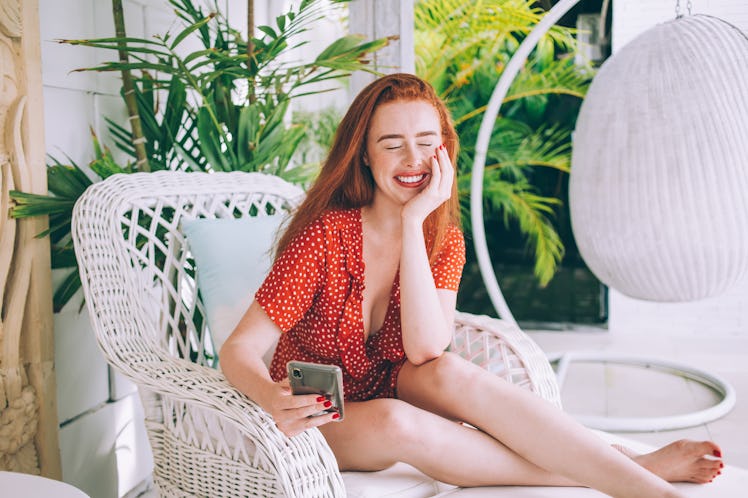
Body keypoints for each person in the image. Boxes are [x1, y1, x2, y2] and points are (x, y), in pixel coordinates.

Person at [220, 73, 723, 498]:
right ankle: (637, 475)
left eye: (426, 142)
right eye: (392, 145)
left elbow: (425, 348)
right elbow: (240, 348)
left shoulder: (443, 239)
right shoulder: (324, 237)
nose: (413, 159)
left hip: (396, 386)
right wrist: (270, 397)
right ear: (366, 159)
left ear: (444, 150)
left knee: (447, 372)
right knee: (397, 419)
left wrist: (414, 225)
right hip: (322, 420)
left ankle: (629, 475)